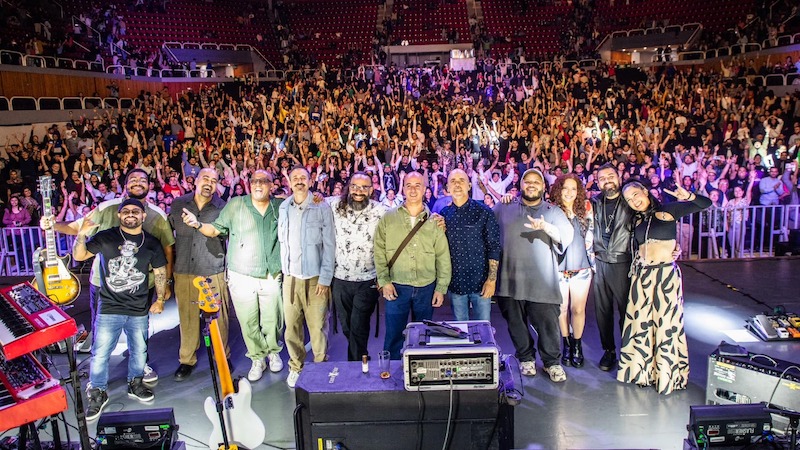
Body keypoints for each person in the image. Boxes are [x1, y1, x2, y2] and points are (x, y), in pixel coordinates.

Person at [44, 168, 175, 383]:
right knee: (101, 329)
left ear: (150, 186)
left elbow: (167, 249)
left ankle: (140, 366)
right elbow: (78, 227)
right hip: (103, 283)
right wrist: (52, 225)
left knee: (139, 330)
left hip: (141, 284)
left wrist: (166, 284)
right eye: (132, 179)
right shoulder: (106, 208)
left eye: (143, 180)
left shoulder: (157, 215)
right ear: (125, 185)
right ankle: (97, 376)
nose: (138, 182)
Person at [182, 170, 286, 383]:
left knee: (273, 318)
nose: (259, 185)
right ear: (249, 184)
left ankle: (273, 352)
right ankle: (257, 358)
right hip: (241, 274)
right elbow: (216, 230)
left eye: (264, 181)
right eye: (255, 181)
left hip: (271, 273)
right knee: (248, 320)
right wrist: (197, 224)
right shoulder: (236, 204)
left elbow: (303, 203)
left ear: (271, 185)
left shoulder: (280, 206)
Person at [72, 198, 168, 421]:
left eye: (136, 211)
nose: (131, 214)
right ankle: (97, 391)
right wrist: (81, 234)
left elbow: (160, 272)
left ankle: (136, 383)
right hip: (109, 306)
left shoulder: (151, 242)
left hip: (138, 307)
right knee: (101, 353)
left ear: (143, 216)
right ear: (119, 215)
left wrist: (161, 298)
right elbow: (79, 256)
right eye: (126, 211)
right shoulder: (106, 237)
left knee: (139, 351)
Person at [618, 181, 711, 394]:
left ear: (644, 191)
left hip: (665, 276)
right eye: (629, 200)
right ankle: (643, 372)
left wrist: (688, 195)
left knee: (666, 326)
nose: (634, 201)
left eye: (635, 195)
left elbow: (705, 203)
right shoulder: (637, 220)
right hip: (642, 278)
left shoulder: (668, 210)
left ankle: (667, 375)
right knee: (642, 325)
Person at [493, 168, 574, 382]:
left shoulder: (553, 211)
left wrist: (545, 226)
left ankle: (551, 363)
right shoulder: (504, 206)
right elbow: (487, 229)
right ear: (520, 185)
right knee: (516, 324)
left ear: (543, 187)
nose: (531, 184)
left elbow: (565, 236)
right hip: (510, 280)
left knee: (547, 326)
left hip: (542, 282)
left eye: (536, 182)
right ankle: (526, 357)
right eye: (526, 181)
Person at [374, 171, 451, 360]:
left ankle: (421, 371)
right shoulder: (388, 218)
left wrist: (441, 288)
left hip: (426, 287)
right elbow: (379, 251)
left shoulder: (435, 221)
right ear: (403, 189)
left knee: (423, 336)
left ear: (425, 189)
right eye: (409, 185)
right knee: (393, 336)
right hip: (396, 285)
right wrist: (384, 281)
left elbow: (442, 256)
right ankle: (391, 376)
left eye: (418, 185)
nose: (413, 189)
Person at [168, 168, 230, 381]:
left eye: (214, 180)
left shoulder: (223, 207)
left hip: (212, 268)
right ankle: (186, 360)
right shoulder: (178, 205)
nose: (209, 183)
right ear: (195, 181)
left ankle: (223, 357)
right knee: (187, 317)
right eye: (206, 178)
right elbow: (168, 236)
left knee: (219, 318)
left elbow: (227, 234)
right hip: (184, 269)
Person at [278, 166, 336, 388]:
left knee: (317, 326)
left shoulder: (322, 206)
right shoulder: (284, 207)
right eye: (295, 178)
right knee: (291, 326)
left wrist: (325, 278)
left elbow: (329, 244)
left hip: (315, 278)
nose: (299, 181)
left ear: (310, 181)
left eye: (303, 177)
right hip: (291, 278)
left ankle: (320, 366)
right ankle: (296, 366)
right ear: (289, 181)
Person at [327, 172, 387, 362]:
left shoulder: (381, 210)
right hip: (340, 278)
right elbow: (309, 199)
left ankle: (355, 366)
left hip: (368, 279)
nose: (358, 191)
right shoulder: (334, 205)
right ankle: (362, 356)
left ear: (371, 189)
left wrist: (432, 216)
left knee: (358, 323)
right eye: (355, 186)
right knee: (347, 325)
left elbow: (406, 214)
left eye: (364, 187)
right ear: (349, 187)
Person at [440, 169, 501, 321]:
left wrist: (491, 281)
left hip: (480, 283)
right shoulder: (444, 214)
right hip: (456, 284)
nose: (457, 184)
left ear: (469, 186)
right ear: (448, 187)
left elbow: (494, 247)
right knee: (461, 334)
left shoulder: (484, 212)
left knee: (483, 331)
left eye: (461, 180)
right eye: (453, 181)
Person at [590, 164, 635, 371]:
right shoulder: (595, 202)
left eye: (611, 176)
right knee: (603, 312)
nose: (607, 180)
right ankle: (609, 351)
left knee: (627, 311)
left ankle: (629, 352)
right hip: (600, 262)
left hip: (623, 261)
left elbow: (652, 220)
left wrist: (670, 244)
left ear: (619, 177)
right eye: (602, 178)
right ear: (597, 182)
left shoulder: (630, 200)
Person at [549, 174, 593, 368]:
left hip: (582, 268)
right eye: (565, 188)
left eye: (573, 189)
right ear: (559, 189)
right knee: (561, 309)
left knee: (578, 309)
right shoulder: (551, 210)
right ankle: (566, 343)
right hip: (558, 269)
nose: (569, 192)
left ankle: (577, 345)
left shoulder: (586, 210)